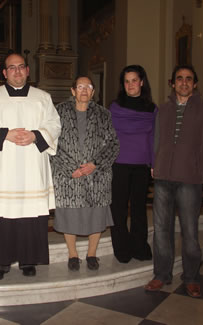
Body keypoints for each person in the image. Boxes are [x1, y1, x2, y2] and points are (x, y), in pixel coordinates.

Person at [0, 53, 61, 281]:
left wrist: (36, 135)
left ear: (28, 70)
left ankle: (28, 259)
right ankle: (0, 262)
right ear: (4, 73)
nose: (17, 71)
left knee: (30, 215)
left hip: (32, 167)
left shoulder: (43, 98)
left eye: (21, 67)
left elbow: (54, 124)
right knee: (1, 216)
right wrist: (5, 134)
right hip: (2, 169)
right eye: (11, 68)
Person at [145, 65, 203, 298]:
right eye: (179, 79)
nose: (184, 83)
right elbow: (156, 141)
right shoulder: (164, 110)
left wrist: (199, 170)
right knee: (161, 231)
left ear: (195, 84)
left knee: (189, 232)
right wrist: (154, 164)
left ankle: (191, 277)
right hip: (163, 179)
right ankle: (161, 275)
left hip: (190, 180)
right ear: (172, 83)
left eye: (189, 79)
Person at [51, 76, 119, 271]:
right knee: (69, 214)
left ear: (93, 92)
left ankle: (92, 254)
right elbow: (51, 141)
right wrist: (69, 167)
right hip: (68, 175)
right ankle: (73, 255)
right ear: (73, 91)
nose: (83, 90)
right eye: (79, 87)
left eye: (88, 87)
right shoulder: (59, 112)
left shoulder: (103, 114)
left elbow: (113, 144)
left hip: (96, 175)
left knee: (96, 214)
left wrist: (94, 164)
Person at [110, 65, 157, 263]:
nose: (130, 84)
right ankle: (121, 247)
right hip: (119, 163)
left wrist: (154, 163)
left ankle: (139, 245)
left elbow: (154, 137)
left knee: (139, 208)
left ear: (142, 82)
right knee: (118, 208)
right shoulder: (115, 106)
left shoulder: (152, 108)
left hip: (141, 164)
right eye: (126, 81)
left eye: (134, 80)